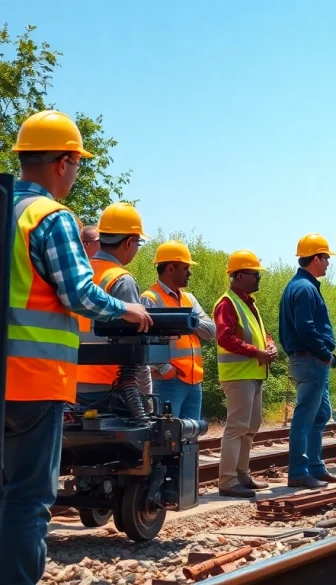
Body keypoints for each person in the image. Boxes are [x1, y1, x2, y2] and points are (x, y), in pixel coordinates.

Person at [3, 110, 152, 585]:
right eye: (78, 163)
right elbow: (79, 294)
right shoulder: (51, 217)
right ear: (64, 162)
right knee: (26, 498)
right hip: (32, 380)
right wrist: (127, 310)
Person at [280, 234, 336, 488]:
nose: (328, 263)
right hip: (311, 360)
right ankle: (298, 472)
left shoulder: (302, 286)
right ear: (316, 258)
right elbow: (305, 328)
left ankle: (315, 467)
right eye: (326, 258)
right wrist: (325, 353)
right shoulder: (305, 288)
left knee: (321, 413)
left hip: (310, 359)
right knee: (306, 416)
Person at [75, 202, 153, 406]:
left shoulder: (79, 272)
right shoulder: (121, 279)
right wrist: (145, 395)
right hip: (108, 385)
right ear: (129, 242)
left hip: (71, 379)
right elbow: (132, 343)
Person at [214, 250, 277, 498]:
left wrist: (269, 344)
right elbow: (225, 337)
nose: (258, 278)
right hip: (238, 374)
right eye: (254, 274)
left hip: (252, 373)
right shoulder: (227, 303)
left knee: (250, 426)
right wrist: (256, 352)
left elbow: (262, 332)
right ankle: (228, 480)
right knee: (237, 427)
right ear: (240, 275)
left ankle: (242, 475)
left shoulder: (248, 302)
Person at [141, 240, 215, 420]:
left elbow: (211, 331)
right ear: (171, 268)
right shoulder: (150, 298)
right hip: (168, 381)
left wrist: (183, 321)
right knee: (165, 438)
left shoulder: (189, 299)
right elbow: (145, 341)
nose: (189, 273)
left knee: (190, 438)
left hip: (193, 380)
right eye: (185, 267)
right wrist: (165, 369)